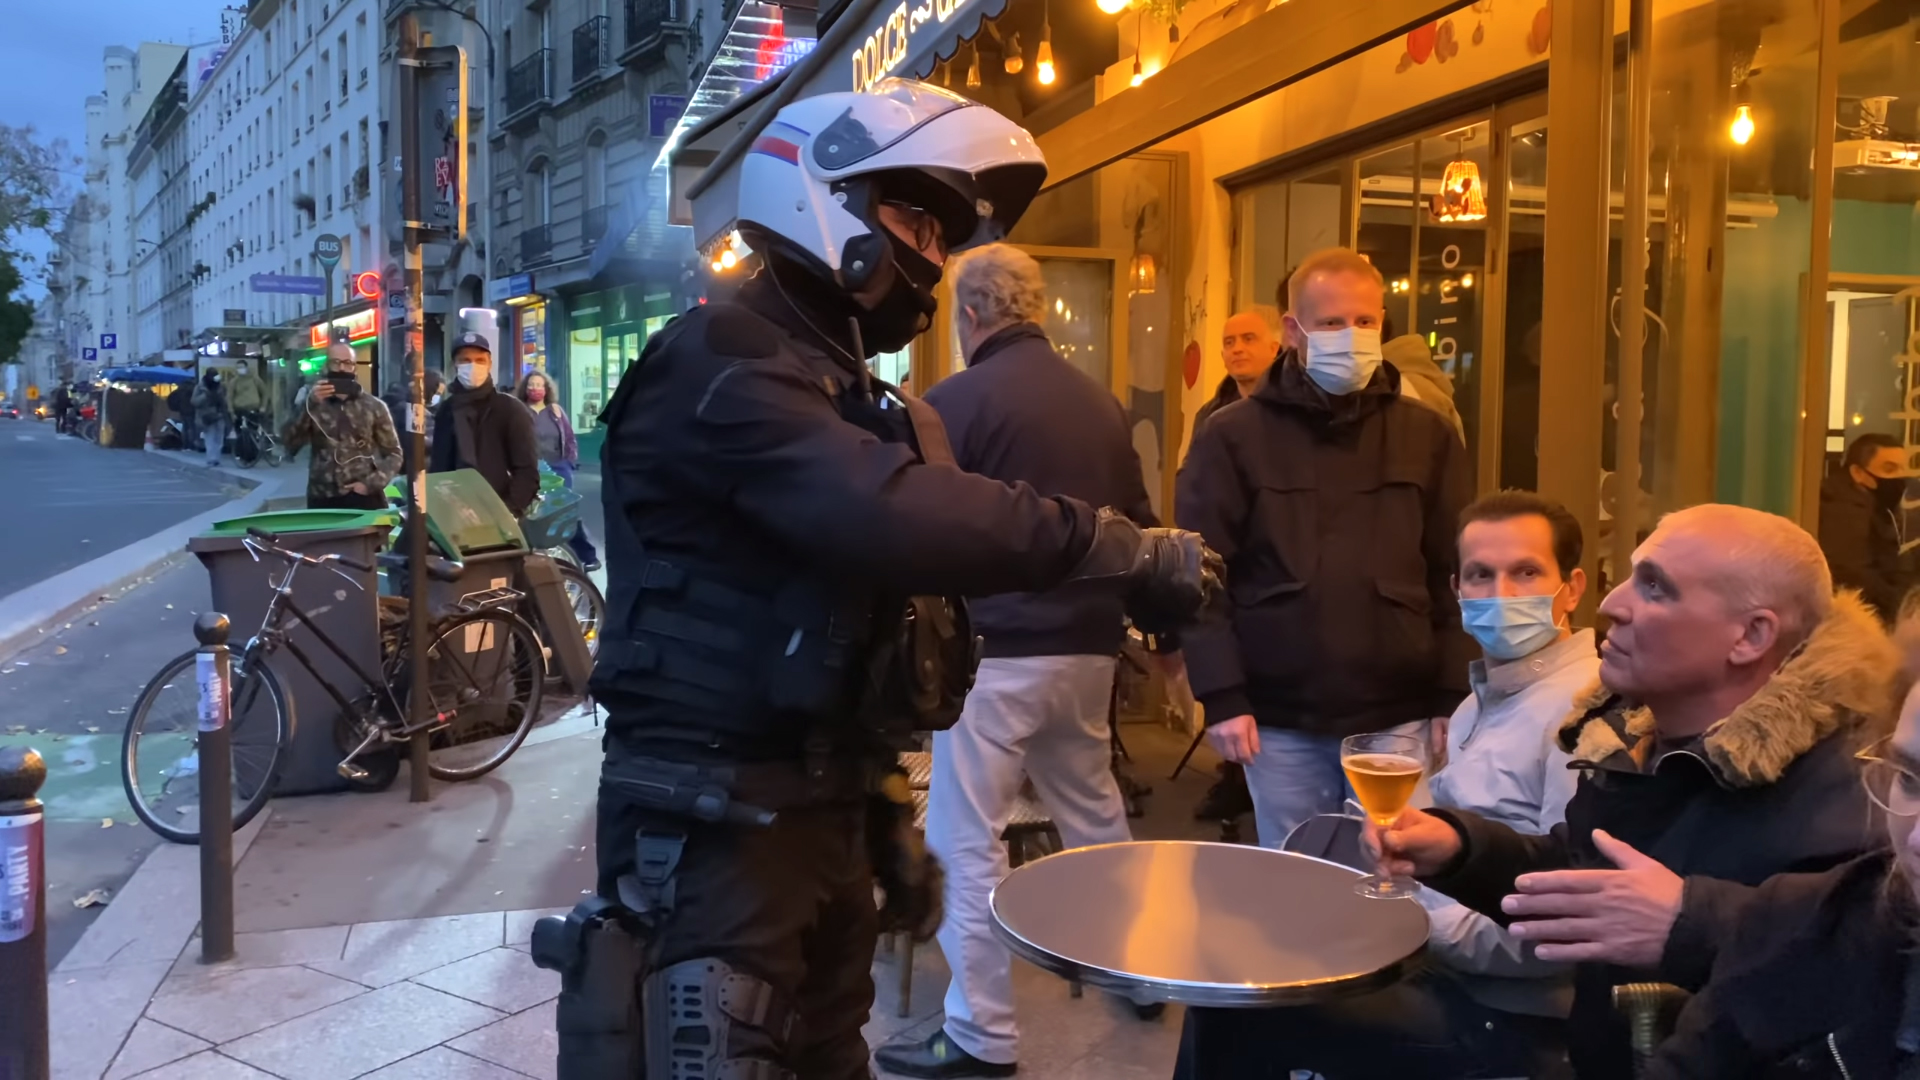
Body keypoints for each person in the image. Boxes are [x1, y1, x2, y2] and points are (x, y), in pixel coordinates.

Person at [574, 79, 1220, 1080]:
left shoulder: (837, 386)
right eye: (912, 215)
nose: (931, 251)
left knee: (833, 1055)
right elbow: (884, 511)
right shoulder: (720, 360)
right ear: (824, 197)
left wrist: (878, 807)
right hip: (707, 816)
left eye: (941, 229)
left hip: (812, 806)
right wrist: (1114, 546)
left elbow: (857, 605)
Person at [1373, 503, 1900, 1078]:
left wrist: (1692, 924)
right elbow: (1586, 877)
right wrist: (1462, 850)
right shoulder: (1639, 741)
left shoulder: (1847, 796)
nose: (1611, 604)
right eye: (1629, 576)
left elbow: (1848, 974)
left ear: (1751, 636)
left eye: (1655, 588)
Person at [1176, 489, 1596, 1079]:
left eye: (1526, 572)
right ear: (1456, 591)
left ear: (1572, 588)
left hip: (1504, 1014)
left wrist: (1409, 919)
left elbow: (1559, 932)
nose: (1500, 594)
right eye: (1480, 575)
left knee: (1238, 1002)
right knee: (1237, 950)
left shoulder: (1583, 711)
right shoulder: (1482, 701)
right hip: (1433, 966)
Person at [874, 245, 1162, 1079]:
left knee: (968, 840)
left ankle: (981, 1036)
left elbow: (919, 527)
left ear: (970, 315)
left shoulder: (951, 404)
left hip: (993, 656)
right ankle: (1136, 971)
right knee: (1094, 811)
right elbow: (1137, 525)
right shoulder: (1099, 404)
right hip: (1088, 649)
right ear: (1034, 307)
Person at [1177, 247, 1475, 848]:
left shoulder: (1428, 436)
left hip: (1399, 714)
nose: (1352, 337)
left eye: (1365, 322)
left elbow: (1456, 571)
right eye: (1333, 323)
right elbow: (1199, 578)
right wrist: (1222, 695)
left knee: (1398, 875)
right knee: (1296, 875)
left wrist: (1453, 693)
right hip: (1280, 718)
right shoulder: (1232, 437)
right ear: (1293, 330)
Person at [1635, 635, 1920, 1079]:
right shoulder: (1800, 923)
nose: (1916, 837)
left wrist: (1695, 917)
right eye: (1910, 780)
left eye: (1658, 589)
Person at [281, 342, 403, 511]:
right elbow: (289, 441)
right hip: (322, 497)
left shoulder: (374, 406)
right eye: (336, 362)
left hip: (364, 496)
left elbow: (394, 454)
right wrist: (309, 406)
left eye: (347, 363)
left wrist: (369, 484)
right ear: (326, 366)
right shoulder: (312, 404)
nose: (341, 368)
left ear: (354, 368)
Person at [429, 334, 539, 516]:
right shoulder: (447, 411)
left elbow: (527, 471)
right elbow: (439, 468)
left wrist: (507, 510)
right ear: (454, 364)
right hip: (454, 515)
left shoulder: (510, 409)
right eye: (465, 360)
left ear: (489, 364)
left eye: (480, 360)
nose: (473, 366)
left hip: (499, 512)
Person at [1819, 431, 1910, 621]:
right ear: (1858, 473)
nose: (1899, 478)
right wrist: (1903, 605)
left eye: (1902, 469)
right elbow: (1854, 574)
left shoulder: (1877, 504)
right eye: (1889, 469)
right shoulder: (1841, 510)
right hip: (1857, 621)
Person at [515, 371, 601, 569]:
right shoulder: (519, 410)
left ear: (546, 389)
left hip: (557, 468)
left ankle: (587, 556)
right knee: (531, 513)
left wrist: (569, 463)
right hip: (530, 469)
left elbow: (570, 439)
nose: (535, 388)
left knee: (566, 513)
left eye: (539, 385)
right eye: (531, 385)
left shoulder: (555, 411)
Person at [1193, 305, 1282, 431]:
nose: (1237, 349)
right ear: (1222, 356)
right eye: (1229, 342)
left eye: (1248, 339)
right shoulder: (1209, 416)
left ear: (1273, 349)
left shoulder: (1298, 408)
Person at [192, 367, 231, 467]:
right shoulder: (200, 387)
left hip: (220, 414)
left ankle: (216, 458)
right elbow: (194, 401)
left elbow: (226, 399)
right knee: (209, 437)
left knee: (219, 438)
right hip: (207, 416)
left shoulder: (221, 386)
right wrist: (205, 396)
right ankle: (211, 458)